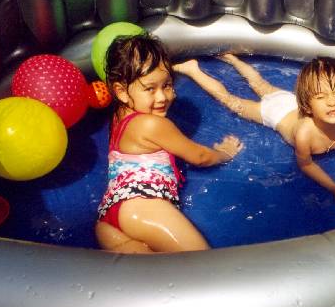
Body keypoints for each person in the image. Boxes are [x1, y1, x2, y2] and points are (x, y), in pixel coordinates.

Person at [95, 34, 243, 253]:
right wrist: (225, 153)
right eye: (150, 89)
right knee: (203, 265)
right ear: (121, 92)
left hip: (108, 221)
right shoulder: (152, 125)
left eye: (166, 85)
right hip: (143, 209)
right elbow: (200, 157)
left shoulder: (119, 116)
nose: (162, 97)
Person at [173, 54, 335, 207]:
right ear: (307, 105)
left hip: (289, 101)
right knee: (229, 100)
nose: (332, 102)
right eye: (321, 97)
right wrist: (333, 187)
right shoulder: (305, 134)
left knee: (260, 83)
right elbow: (306, 164)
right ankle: (194, 70)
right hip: (273, 113)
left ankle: (233, 59)